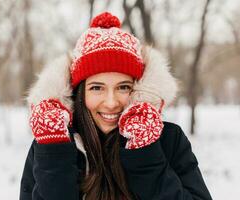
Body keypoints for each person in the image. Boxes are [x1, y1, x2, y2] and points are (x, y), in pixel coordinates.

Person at [19, 12, 212, 200]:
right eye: (97, 88)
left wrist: (145, 156)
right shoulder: (51, 142)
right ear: (80, 92)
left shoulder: (169, 140)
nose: (111, 103)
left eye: (123, 87)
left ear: (137, 89)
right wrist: (55, 154)